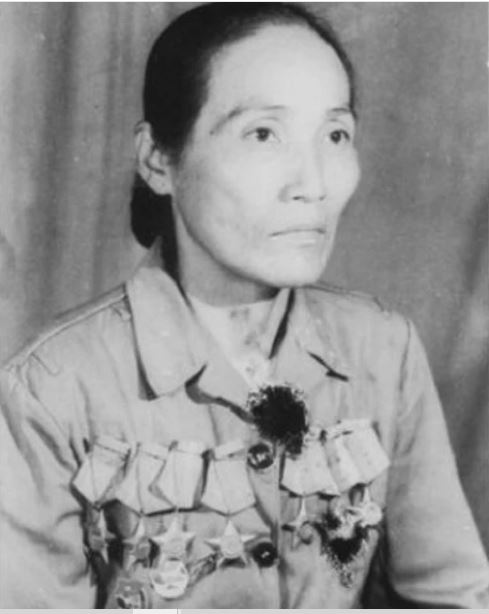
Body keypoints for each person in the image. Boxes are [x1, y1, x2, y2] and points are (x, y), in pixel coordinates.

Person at [0, 2, 488, 609]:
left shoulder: (384, 351)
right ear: (157, 159)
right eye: (263, 134)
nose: (313, 183)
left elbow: (451, 597)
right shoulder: (50, 390)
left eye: (335, 135)